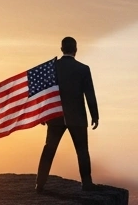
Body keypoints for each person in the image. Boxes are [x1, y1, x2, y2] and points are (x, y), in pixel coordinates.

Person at [36, 36, 99, 192]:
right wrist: (95, 115)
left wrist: (42, 114)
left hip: (55, 115)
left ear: (61, 49)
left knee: (49, 149)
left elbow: (45, 93)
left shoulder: (52, 68)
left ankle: (40, 184)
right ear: (75, 49)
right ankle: (87, 183)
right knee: (82, 150)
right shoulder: (83, 69)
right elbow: (89, 94)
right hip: (77, 117)